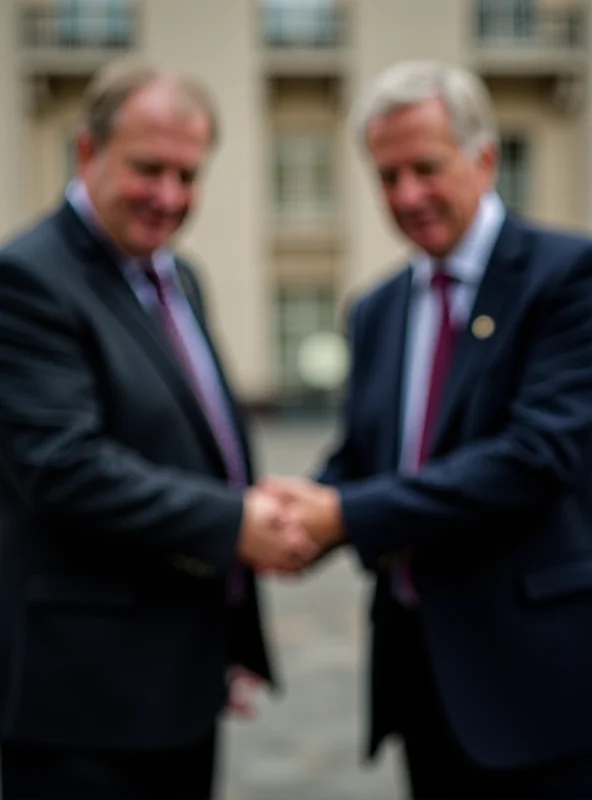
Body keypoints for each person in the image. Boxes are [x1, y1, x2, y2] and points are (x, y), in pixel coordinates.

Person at [262, 60, 592, 798]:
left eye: (425, 167)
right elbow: (364, 455)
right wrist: (290, 513)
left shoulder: (568, 276)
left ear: (483, 157)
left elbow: (532, 460)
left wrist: (344, 516)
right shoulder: (377, 307)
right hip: (423, 680)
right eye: (386, 176)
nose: (407, 195)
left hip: (539, 682)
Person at [0, 60, 314, 799]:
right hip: (82, 704)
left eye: (187, 173)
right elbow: (63, 466)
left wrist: (230, 636)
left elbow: (196, 442)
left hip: (176, 681)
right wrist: (237, 522)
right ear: (87, 152)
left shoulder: (179, 274)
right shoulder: (29, 277)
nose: (168, 196)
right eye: (148, 169)